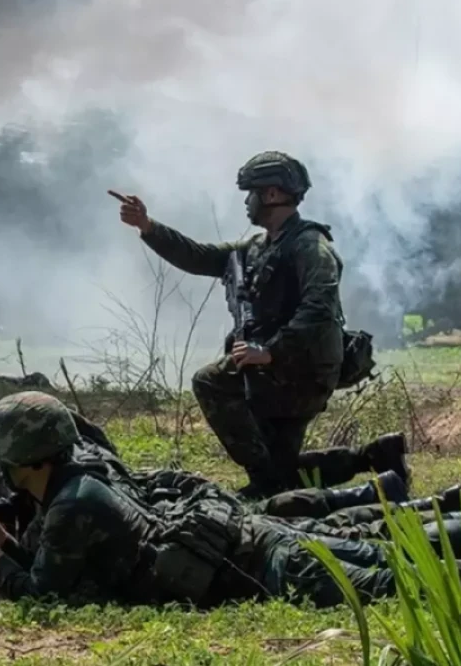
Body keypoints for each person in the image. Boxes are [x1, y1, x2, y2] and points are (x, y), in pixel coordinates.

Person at [0, 391, 461, 610]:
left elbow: (46, 592)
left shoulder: (75, 504)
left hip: (265, 566)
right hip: (258, 544)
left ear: (19, 455)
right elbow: (50, 554)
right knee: (393, 553)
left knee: (393, 583)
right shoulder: (78, 485)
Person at [116, 151, 380, 498]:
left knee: (210, 382)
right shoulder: (255, 247)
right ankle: (375, 458)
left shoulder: (311, 247)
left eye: (251, 193)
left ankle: (264, 482)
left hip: (300, 370)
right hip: (283, 369)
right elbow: (198, 256)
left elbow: (319, 309)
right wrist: (148, 227)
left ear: (272, 194)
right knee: (284, 472)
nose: (247, 202)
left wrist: (269, 351)